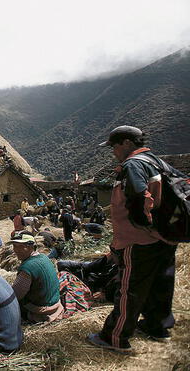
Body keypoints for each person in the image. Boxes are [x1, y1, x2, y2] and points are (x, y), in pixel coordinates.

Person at [87, 125, 178, 353]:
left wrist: (142, 225)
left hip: (138, 241)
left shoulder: (133, 164)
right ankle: (157, 327)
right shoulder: (156, 162)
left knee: (129, 290)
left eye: (114, 146)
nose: (113, 151)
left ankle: (114, 337)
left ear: (126, 143)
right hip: (163, 238)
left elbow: (139, 197)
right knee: (160, 284)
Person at [9, 234, 64, 323]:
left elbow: (16, 295)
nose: (16, 250)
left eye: (21, 246)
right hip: (55, 303)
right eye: (15, 246)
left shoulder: (27, 268)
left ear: (32, 247)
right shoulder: (43, 257)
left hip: (41, 309)